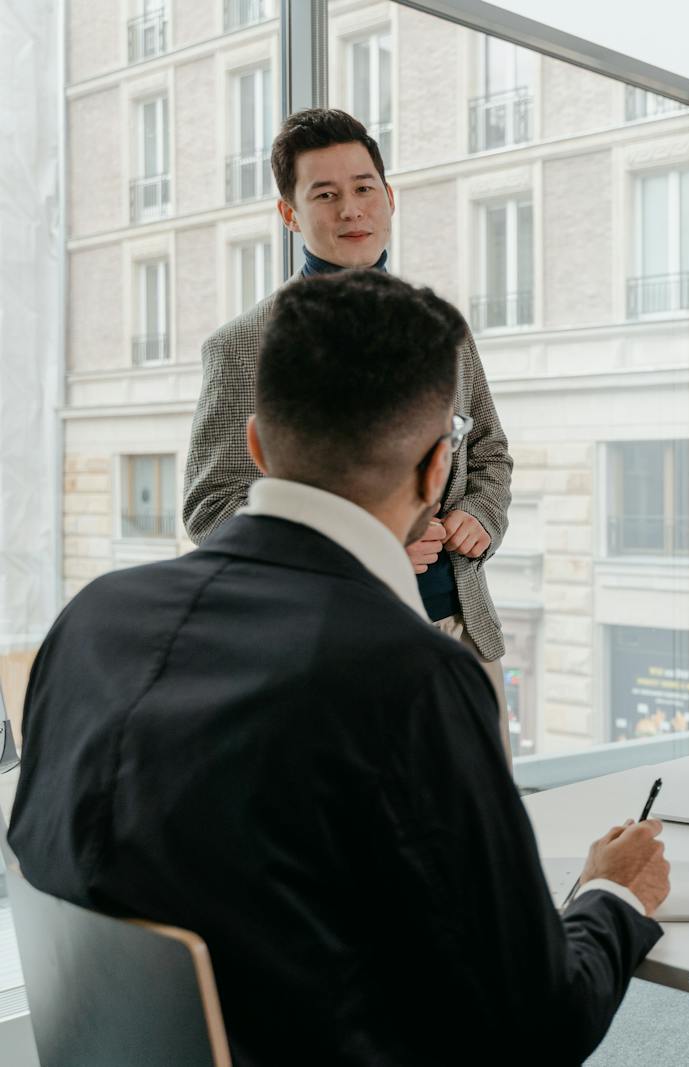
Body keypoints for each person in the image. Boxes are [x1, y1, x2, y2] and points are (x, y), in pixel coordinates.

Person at [8, 271, 670, 1063]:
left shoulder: (90, 620)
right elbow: (536, 1025)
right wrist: (612, 892)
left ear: (255, 444)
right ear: (435, 472)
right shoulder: (412, 676)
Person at [182, 107, 514, 751]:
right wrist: (365, 543)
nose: (350, 210)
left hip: (462, 633)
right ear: (290, 214)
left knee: (481, 836)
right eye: (325, 194)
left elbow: (489, 451)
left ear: (389, 198)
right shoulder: (245, 346)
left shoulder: (442, 330)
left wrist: (484, 513)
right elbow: (210, 508)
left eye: (364, 189)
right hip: (322, 647)